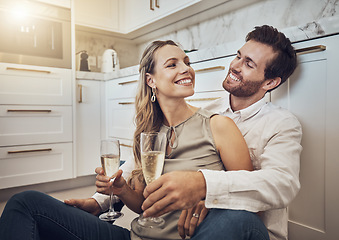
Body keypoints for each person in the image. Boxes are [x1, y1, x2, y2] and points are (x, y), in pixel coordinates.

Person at [0, 40, 260, 240]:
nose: (186, 69)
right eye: (172, 64)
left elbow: (250, 195)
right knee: (25, 203)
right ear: (151, 80)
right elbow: (145, 207)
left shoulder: (217, 125)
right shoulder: (146, 134)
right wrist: (123, 190)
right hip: (136, 236)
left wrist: (211, 199)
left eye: (187, 62)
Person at [139, 25, 302, 240]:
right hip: (201, 229)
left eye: (248, 64)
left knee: (235, 219)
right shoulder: (208, 113)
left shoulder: (282, 123)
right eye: (238, 56)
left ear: (270, 82)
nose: (234, 66)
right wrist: (102, 198)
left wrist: (206, 187)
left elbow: (282, 184)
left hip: (247, 227)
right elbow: (142, 162)